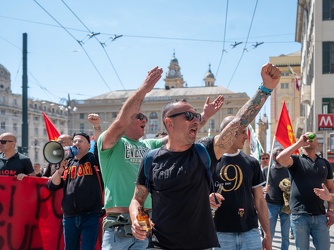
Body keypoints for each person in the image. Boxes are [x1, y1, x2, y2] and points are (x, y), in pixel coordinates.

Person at [129, 62, 281, 249]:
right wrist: (136, 217)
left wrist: (265, 88)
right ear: (169, 123)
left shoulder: (203, 151)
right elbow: (137, 199)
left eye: (196, 115)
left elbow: (238, 123)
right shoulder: (151, 159)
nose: (196, 120)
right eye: (189, 116)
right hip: (160, 245)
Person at [98, 66, 225, 249]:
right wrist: (143, 90)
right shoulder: (109, 144)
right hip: (118, 227)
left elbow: (178, 134)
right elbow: (121, 121)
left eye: (145, 117)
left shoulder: (149, 148)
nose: (145, 120)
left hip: (146, 226)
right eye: (139, 116)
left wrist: (202, 116)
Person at [210, 116, 271, 250]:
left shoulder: (252, 162)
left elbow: (260, 200)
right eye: (243, 132)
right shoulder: (209, 163)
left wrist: (267, 234)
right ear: (229, 132)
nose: (246, 136)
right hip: (220, 234)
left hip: (250, 233)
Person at [276, 132, 334, 250]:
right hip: (300, 216)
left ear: (317, 143)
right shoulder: (296, 161)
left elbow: (331, 189)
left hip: (320, 215)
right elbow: (280, 158)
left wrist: (331, 210)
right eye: (306, 137)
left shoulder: (325, 163)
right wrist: (299, 143)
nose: (309, 139)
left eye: (313, 137)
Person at [48, 132, 103, 250]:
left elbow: (101, 145)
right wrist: (60, 170)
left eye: (81, 141)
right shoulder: (68, 163)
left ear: (89, 145)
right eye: (75, 141)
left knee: (88, 247)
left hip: (90, 214)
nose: (77, 143)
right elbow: (52, 185)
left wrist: (96, 127)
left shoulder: (94, 159)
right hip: (69, 216)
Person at [263, 147, 290, 250]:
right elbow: (259, 186)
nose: (282, 157)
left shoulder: (288, 170)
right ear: (274, 157)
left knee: (285, 235)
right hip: (271, 205)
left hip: (286, 206)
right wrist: (263, 189)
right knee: (269, 233)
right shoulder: (266, 170)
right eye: (279, 155)